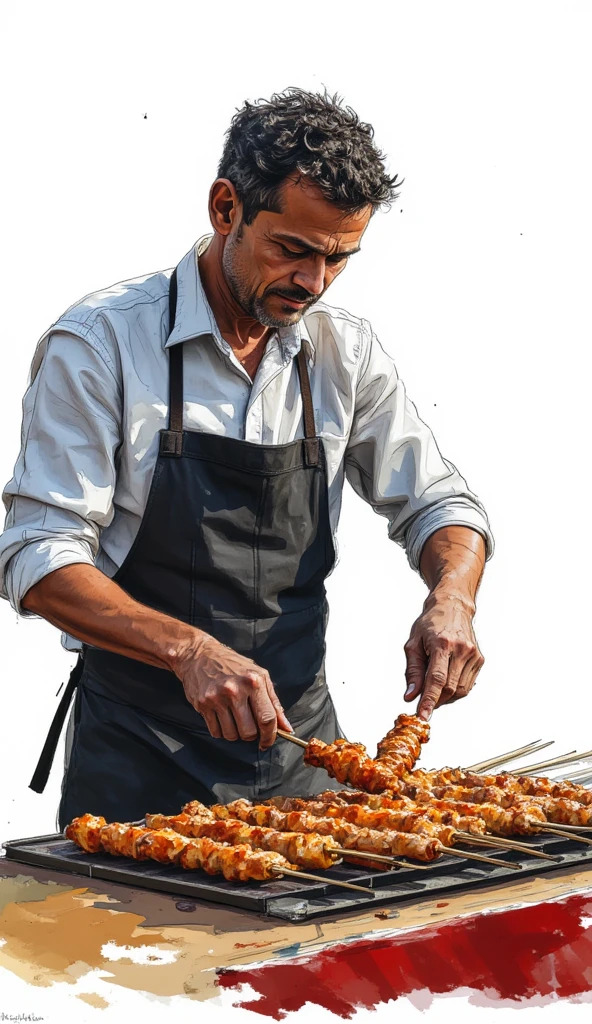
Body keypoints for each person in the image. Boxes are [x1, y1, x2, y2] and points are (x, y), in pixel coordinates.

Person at [0, 88, 493, 826]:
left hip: (305, 759)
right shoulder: (102, 344)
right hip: (143, 763)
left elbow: (438, 505)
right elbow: (35, 558)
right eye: (292, 250)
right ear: (225, 208)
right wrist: (189, 650)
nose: (313, 283)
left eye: (338, 259)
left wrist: (453, 594)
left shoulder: (343, 352)